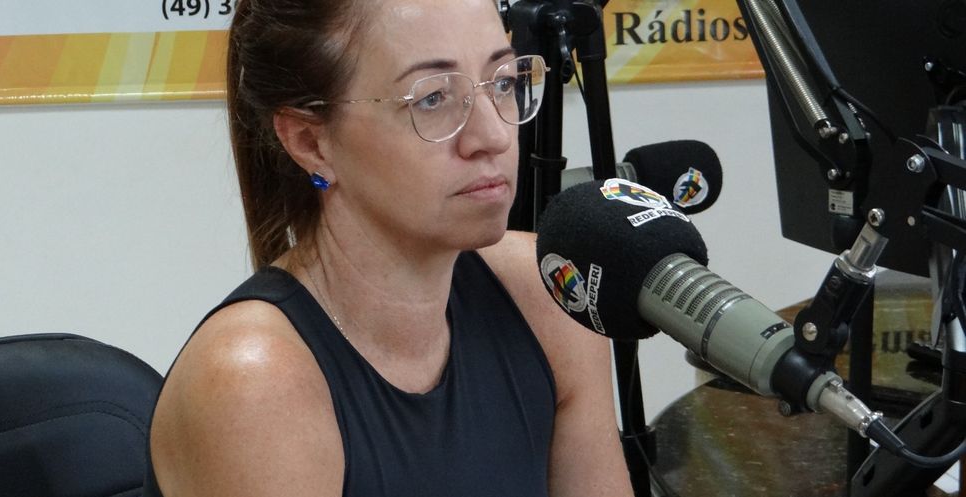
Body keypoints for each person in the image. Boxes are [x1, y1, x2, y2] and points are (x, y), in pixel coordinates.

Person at [146, 0, 634, 495]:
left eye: (503, 83)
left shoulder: (551, 291)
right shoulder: (255, 385)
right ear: (310, 143)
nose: (494, 136)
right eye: (432, 98)